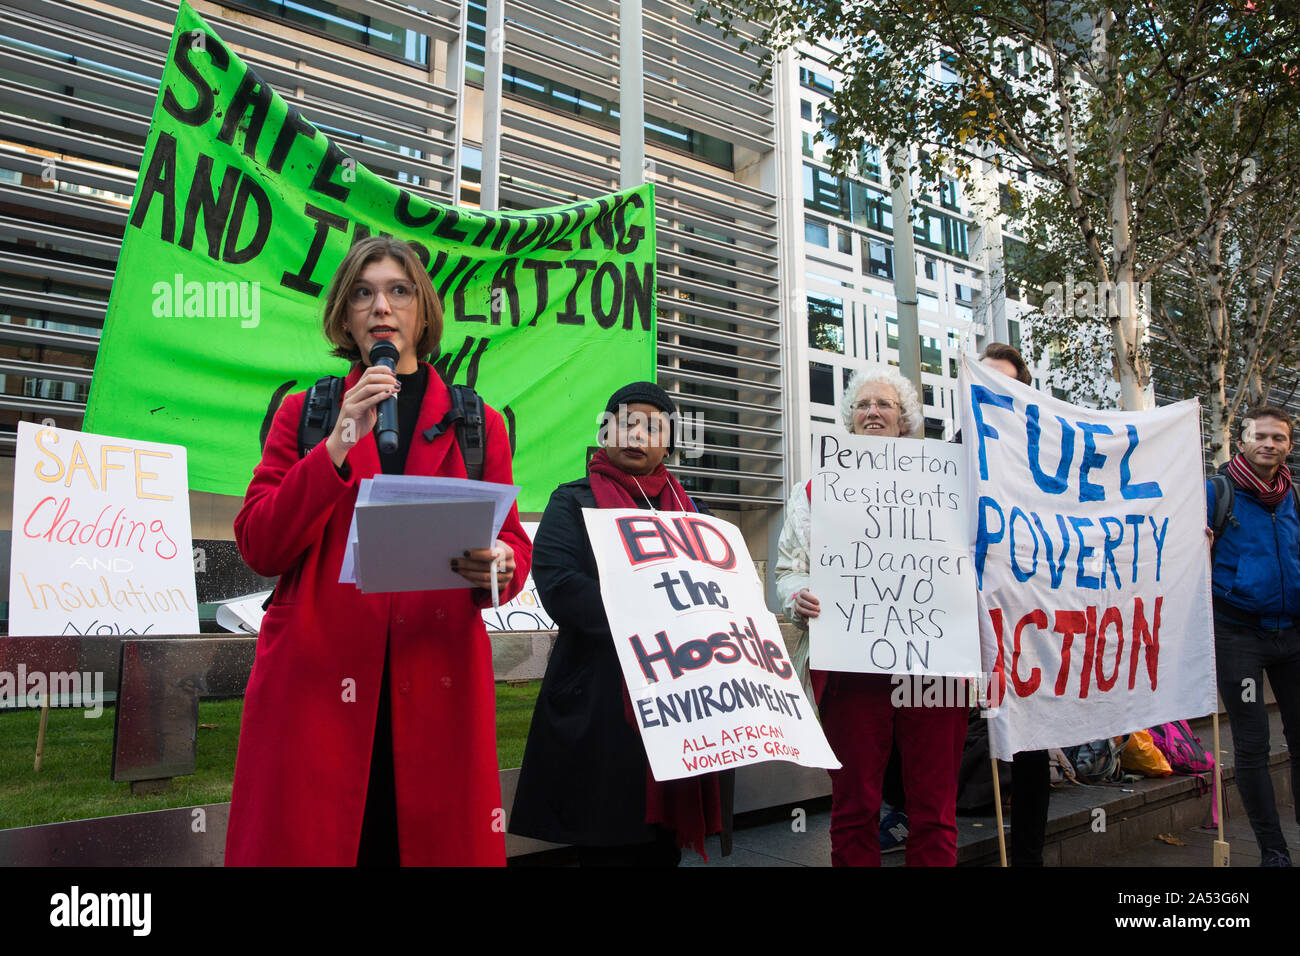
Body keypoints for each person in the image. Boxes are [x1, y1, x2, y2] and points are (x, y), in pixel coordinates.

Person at [225, 236, 532, 866]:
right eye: (363, 294)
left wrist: (500, 564)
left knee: (423, 844)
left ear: (423, 312)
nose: (381, 308)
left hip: (435, 680)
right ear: (344, 316)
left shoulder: (480, 422)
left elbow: (513, 549)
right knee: (318, 842)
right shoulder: (304, 413)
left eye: (398, 291)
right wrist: (336, 443)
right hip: (317, 689)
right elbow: (260, 542)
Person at [509, 382, 723, 865]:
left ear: (668, 443)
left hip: (679, 707)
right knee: (604, 842)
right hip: (601, 701)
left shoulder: (697, 514)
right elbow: (562, 588)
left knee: (661, 848)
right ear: (605, 432)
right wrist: (651, 617)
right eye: (624, 422)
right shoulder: (572, 503)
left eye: (651, 426)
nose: (635, 433)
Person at [775, 364, 967, 866]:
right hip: (851, 666)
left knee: (934, 808)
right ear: (849, 418)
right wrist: (799, 598)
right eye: (863, 404)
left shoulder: (949, 486)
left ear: (905, 420)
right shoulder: (815, 490)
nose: (873, 411)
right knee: (855, 805)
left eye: (885, 404)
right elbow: (789, 571)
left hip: (934, 665)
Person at [965, 342, 1052, 867]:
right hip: (960, 626)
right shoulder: (947, 454)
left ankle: (1028, 857)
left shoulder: (1044, 463)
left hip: (1026, 628)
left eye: (1007, 384)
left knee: (1031, 744)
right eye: (986, 380)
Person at [1207, 405, 1300, 867]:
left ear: (1289, 445)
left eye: (1278, 438)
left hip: (1292, 636)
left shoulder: (1293, 497)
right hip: (1238, 635)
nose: (1269, 444)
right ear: (1241, 441)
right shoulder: (1216, 492)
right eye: (1260, 436)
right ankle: (1274, 852)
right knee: (1253, 745)